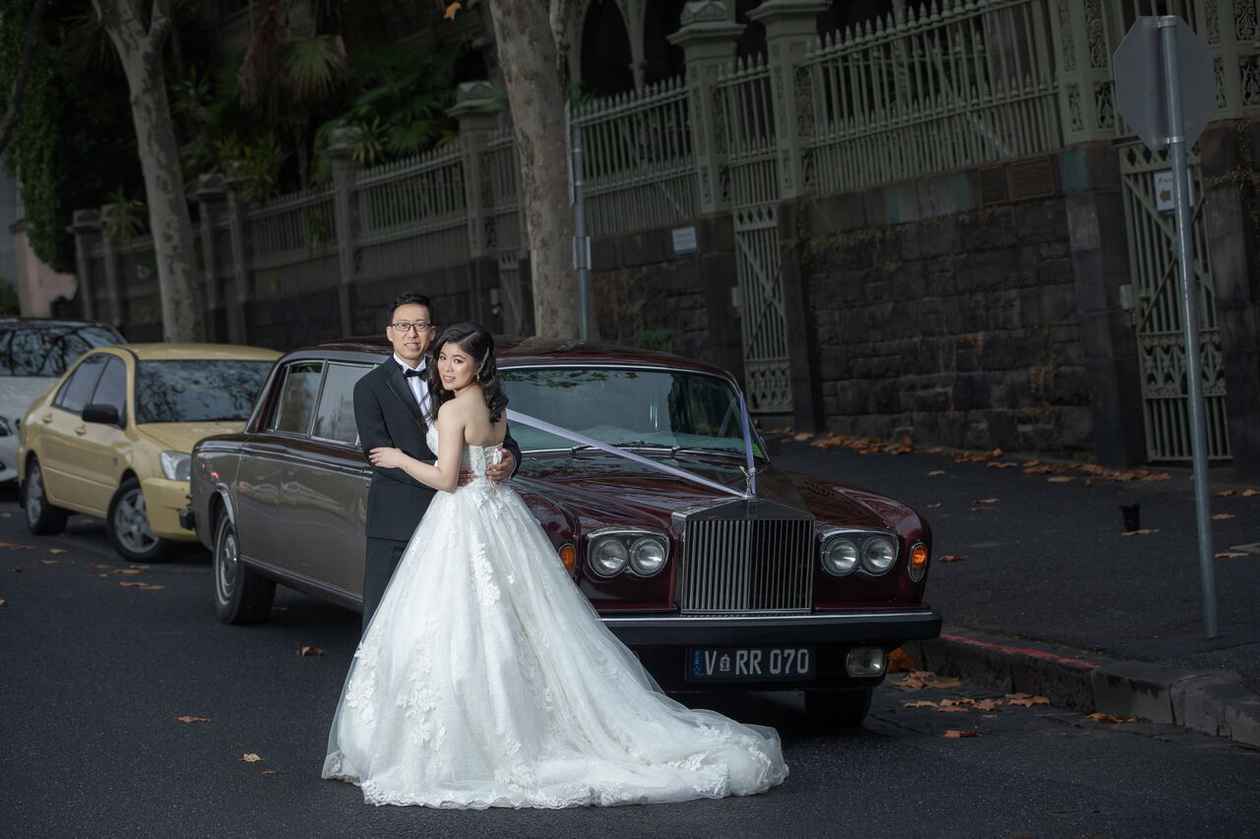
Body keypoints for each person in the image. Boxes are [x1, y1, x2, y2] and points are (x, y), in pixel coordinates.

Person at [322, 322, 788, 808]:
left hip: (462, 514)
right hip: (498, 512)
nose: (445, 367)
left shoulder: (456, 407)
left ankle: (477, 739)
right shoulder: (494, 406)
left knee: (461, 622)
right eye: (443, 359)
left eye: (457, 360)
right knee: (516, 620)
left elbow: (445, 479)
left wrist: (399, 457)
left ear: (478, 364)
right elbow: (494, 455)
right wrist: (493, 464)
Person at [352, 294, 520, 629]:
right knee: (386, 619)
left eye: (420, 325)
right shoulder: (368, 387)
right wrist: (449, 477)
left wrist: (510, 460)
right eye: (403, 326)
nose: (411, 333)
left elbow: (503, 439)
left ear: (432, 331)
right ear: (390, 333)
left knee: (461, 618)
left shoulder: (454, 377)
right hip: (400, 518)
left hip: (464, 517)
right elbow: (378, 455)